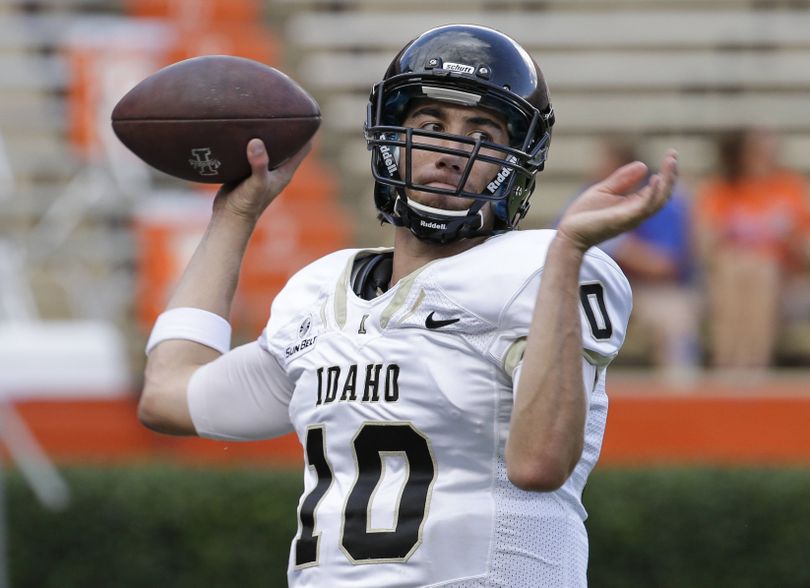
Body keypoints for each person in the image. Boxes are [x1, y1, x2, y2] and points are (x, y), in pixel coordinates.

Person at [138, 25, 677, 587]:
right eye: (429, 126)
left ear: (515, 161)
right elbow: (167, 396)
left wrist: (568, 254)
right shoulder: (320, 293)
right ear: (391, 139)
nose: (450, 149)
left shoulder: (542, 267)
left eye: (482, 133)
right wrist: (235, 215)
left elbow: (539, 464)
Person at [583, 137, 700, 381]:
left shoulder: (659, 201)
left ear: (627, 170)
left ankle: (680, 399)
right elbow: (557, 246)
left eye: (606, 163)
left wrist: (619, 245)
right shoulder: (586, 197)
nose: (596, 170)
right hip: (595, 287)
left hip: (649, 290)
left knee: (674, 316)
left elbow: (665, 265)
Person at [695, 128, 810, 370]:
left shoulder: (789, 187)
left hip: (781, 274)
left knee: (761, 268)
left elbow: (803, 245)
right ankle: (728, 359)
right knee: (736, 267)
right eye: (756, 152)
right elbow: (707, 243)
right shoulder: (723, 189)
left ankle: (755, 360)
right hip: (732, 270)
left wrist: (788, 239)